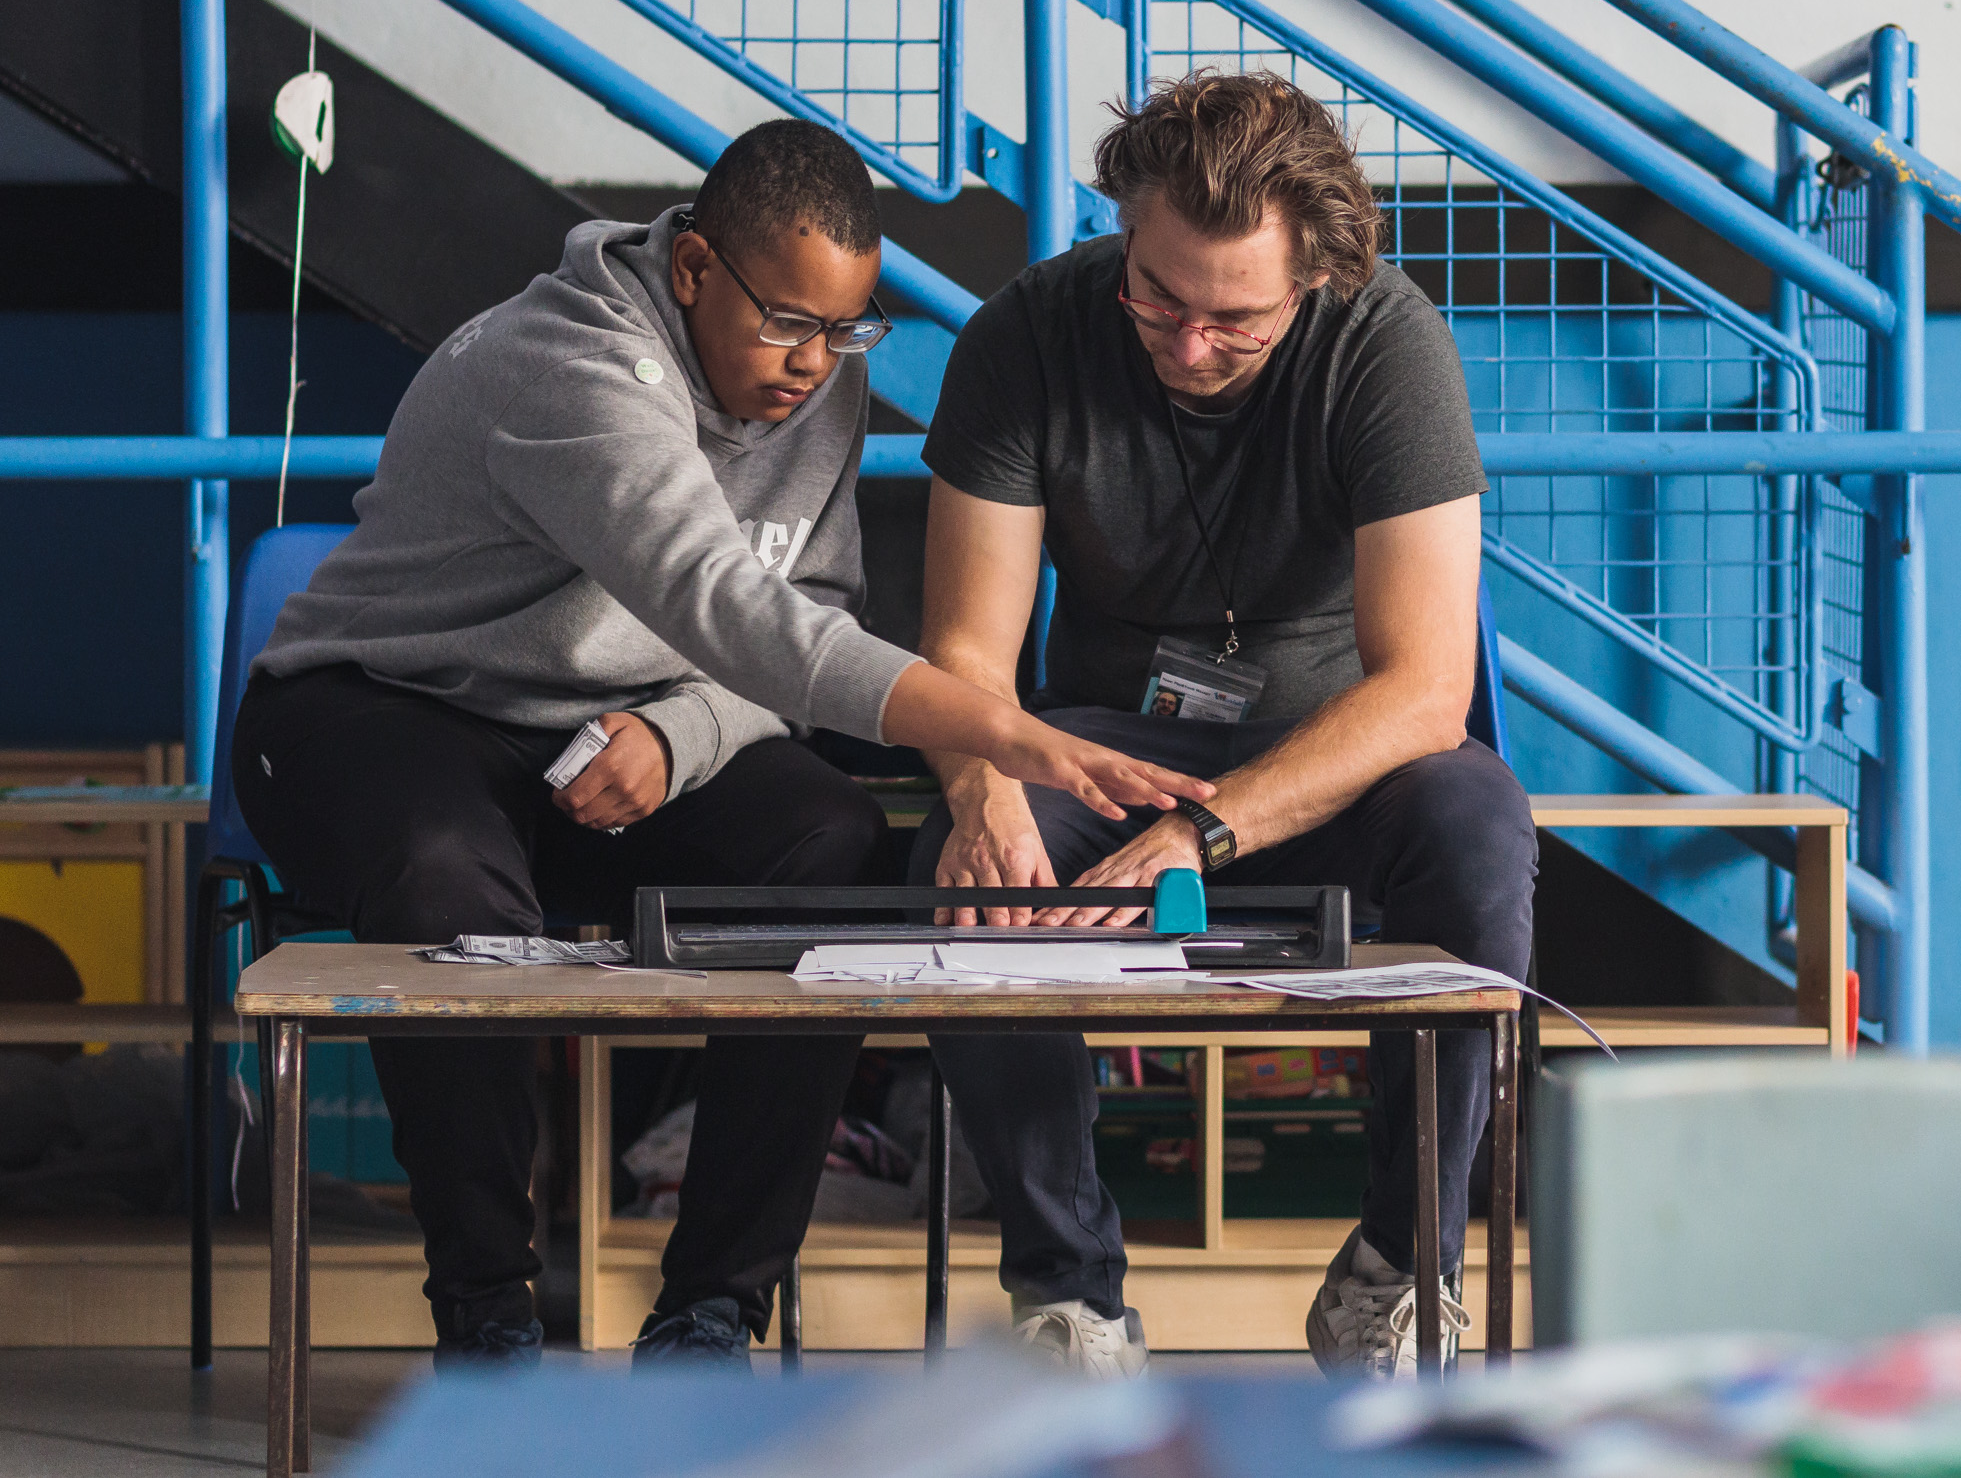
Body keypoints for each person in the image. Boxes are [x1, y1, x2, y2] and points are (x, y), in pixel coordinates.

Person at [234, 118, 1208, 1370]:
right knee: (442, 876)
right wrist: (1003, 731)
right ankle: (485, 1320)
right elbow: (724, 599)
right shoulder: (572, 360)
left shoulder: (818, 372)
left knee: (839, 842)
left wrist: (681, 729)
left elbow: (816, 610)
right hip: (379, 709)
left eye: (847, 329)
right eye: (787, 322)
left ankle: (709, 1312)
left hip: (608, 737)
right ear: (693, 267)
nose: (816, 362)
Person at [912, 71, 1538, 1379]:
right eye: (1158, 296)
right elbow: (965, 653)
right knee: (971, 861)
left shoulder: (1386, 342)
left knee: (1478, 816)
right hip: (1105, 744)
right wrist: (981, 785)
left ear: (1316, 277)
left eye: (1234, 322)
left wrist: (1208, 827)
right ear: (1125, 229)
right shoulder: (1028, 331)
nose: (1187, 346)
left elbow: (1425, 687)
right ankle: (1066, 1296)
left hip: (1335, 762)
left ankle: (1399, 1267)